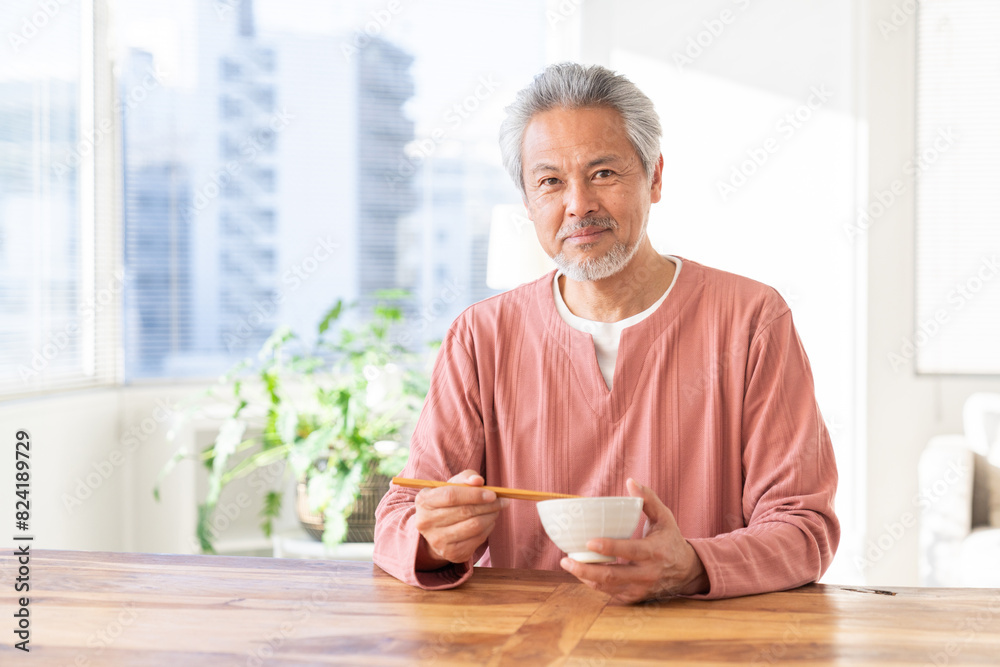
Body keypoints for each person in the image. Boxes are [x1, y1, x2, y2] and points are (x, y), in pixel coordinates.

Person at [373, 63, 839, 602]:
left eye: (603, 173)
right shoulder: (481, 336)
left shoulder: (752, 319)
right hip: (525, 637)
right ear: (527, 201)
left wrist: (692, 567)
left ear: (655, 177)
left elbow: (804, 528)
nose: (578, 205)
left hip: (703, 636)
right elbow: (401, 514)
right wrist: (435, 540)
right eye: (550, 182)